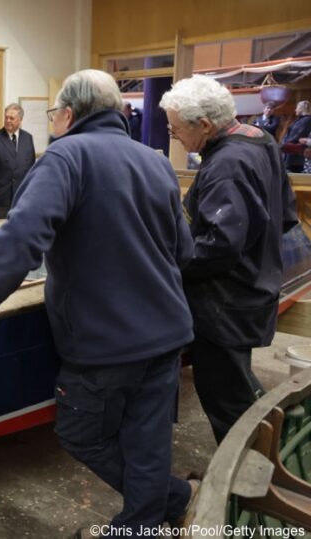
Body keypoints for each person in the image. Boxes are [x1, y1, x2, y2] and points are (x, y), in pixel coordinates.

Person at [0, 69, 196, 538]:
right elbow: (184, 251)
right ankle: (159, 509)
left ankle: (158, 510)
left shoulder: (65, 157)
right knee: (148, 442)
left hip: (104, 342)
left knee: (81, 434)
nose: (52, 121)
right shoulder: (156, 161)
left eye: (53, 114)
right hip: (165, 334)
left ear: (69, 114)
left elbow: (20, 240)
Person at [160, 75, 298, 444]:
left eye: (175, 130)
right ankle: (268, 456)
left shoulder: (227, 164)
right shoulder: (260, 139)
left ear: (203, 125)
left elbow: (219, 245)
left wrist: (168, 264)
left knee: (228, 402)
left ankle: (247, 485)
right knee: (239, 385)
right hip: (255, 286)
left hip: (224, 304)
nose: (174, 136)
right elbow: (286, 215)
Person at [0, 103, 36, 219]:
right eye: (6, 117)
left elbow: (31, 166)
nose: (8, 120)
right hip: (0, 197)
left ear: (20, 120)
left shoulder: (28, 138)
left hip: (22, 197)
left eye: (12, 118)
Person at [280, 100, 311, 173]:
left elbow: (300, 134)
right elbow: (289, 132)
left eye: (297, 108)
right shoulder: (299, 120)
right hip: (289, 151)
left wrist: (287, 143)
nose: (295, 110)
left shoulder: (308, 120)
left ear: (302, 108)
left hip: (296, 155)